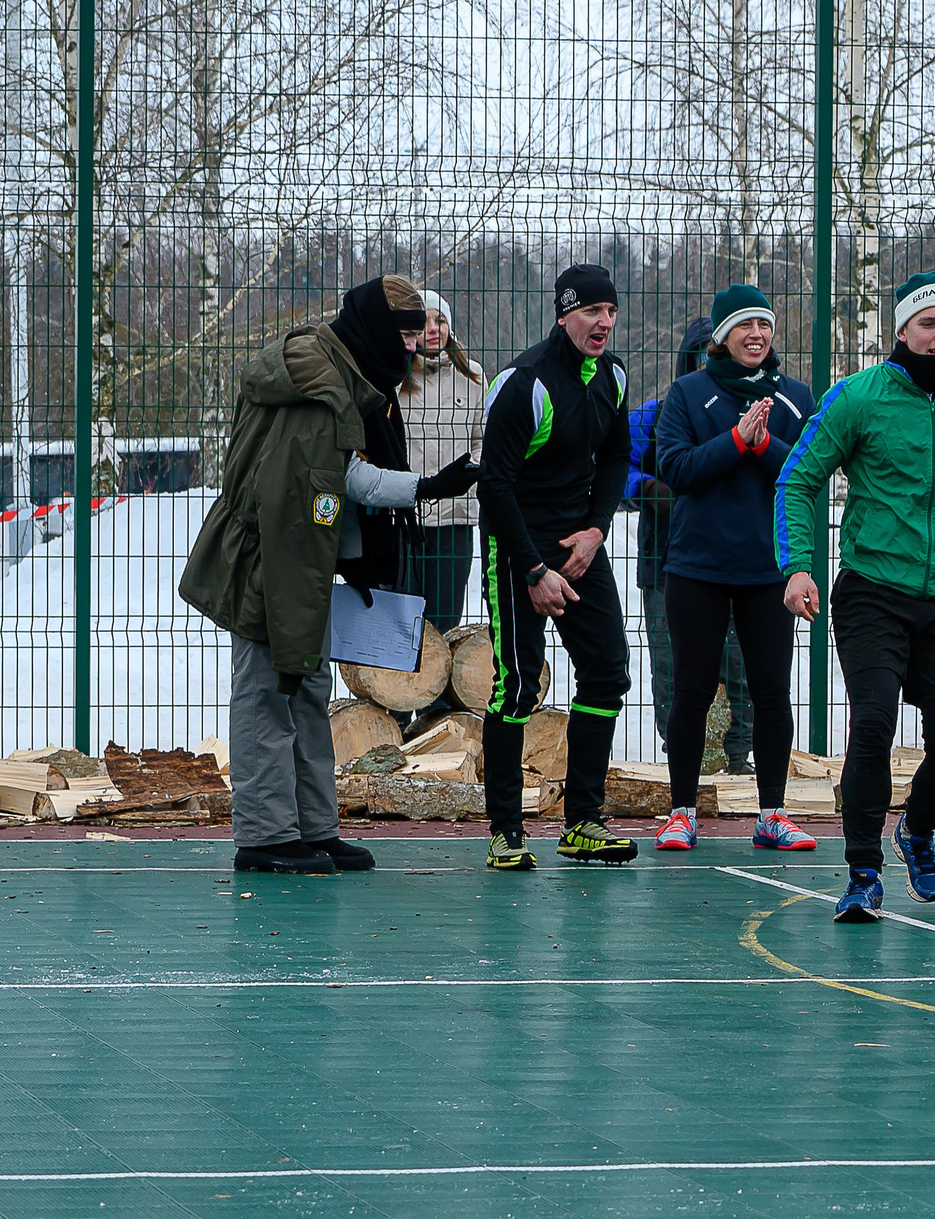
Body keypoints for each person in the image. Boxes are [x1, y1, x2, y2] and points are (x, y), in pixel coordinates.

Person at [179, 275, 480, 875]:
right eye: (406, 336)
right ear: (376, 330)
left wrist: (382, 525)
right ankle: (265, 837)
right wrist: (426, 487)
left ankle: (311, 828)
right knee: (269, 691)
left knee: (308, 691)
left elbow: (339, 483)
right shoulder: (318, 394)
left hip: (306, 561)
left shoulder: (342, 373)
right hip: (269, 564)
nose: (415, 350)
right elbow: (317, 498)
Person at [777, 269, 935, 921]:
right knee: (874, 726)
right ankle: (863, 872)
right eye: (929, 323)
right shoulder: (857, 397)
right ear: (902, 330)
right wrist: (797, 567)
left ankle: (916, 830)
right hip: (871, 592)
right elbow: (798, 479)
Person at [475, 263, 640, 870]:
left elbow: (619, 455)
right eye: (592, 311)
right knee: (517, 684)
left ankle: (583, 822)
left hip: (579, 542)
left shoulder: (613, 377)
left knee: (607, 672)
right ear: (563, 313)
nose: (604, 322)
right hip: (516, 541)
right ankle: (506, 830)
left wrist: (597, 530)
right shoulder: (525, 383)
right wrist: (531, 570)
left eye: (611, 311)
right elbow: (493, 488)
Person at [652, 285, 819, 851]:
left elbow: (808, 474)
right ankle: (681, 811)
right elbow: (676, 468)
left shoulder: (795, 397)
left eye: (765, 326)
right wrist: (733, 441)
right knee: (692, 691)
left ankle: (772, 811)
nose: (757, 335)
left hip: (769, 572)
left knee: (771, 691)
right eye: (745, 325)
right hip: (697, 567)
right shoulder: (687, 392)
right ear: (721, 335)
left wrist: (762, 442)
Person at [630, 319, 755, 774]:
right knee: (673, 671)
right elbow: (610, 463)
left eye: (716, 350)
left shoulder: (757, 412)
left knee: (741, 669)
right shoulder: (657, 413)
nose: (708, 359)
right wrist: (645, 488)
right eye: (700, 351)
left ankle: (738, 760)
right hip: (666, 564)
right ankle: (683, 763)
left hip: (742, 565)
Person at [398, 290, 487, 634]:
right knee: (404, 622)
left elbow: (483, 439)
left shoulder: (474, 376)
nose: (434, 329)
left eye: (441, 320)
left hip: (456, 518)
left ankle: (439, 689)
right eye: (423, 323)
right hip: (406, 518)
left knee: (444, 624)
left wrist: (470, 473)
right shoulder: (395, 379)